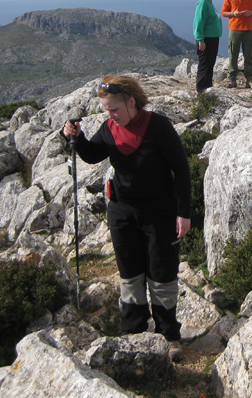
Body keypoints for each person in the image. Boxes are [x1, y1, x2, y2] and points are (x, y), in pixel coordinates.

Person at [62, 75, 191, 362]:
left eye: (114, 109)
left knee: (162, 273)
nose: (110, 115)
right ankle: (133, 332)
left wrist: (184, 213)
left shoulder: (158, 127)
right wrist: (76, 137)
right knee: (130, 274)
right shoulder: (109, 127)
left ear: (132, 102)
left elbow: (181, 170)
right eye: (107, 110)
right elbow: (94, 155)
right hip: (122, 211)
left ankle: (169, 335)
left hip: (160, 212)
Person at [192, 0, 223, 93]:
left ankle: (208, 87)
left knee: (210, 64)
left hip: (213, 38)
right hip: (206, 39)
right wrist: (200, 39)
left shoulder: (209, 3)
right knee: (204, 65)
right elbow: (198, 22)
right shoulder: (203, 3)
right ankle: (201, 90)